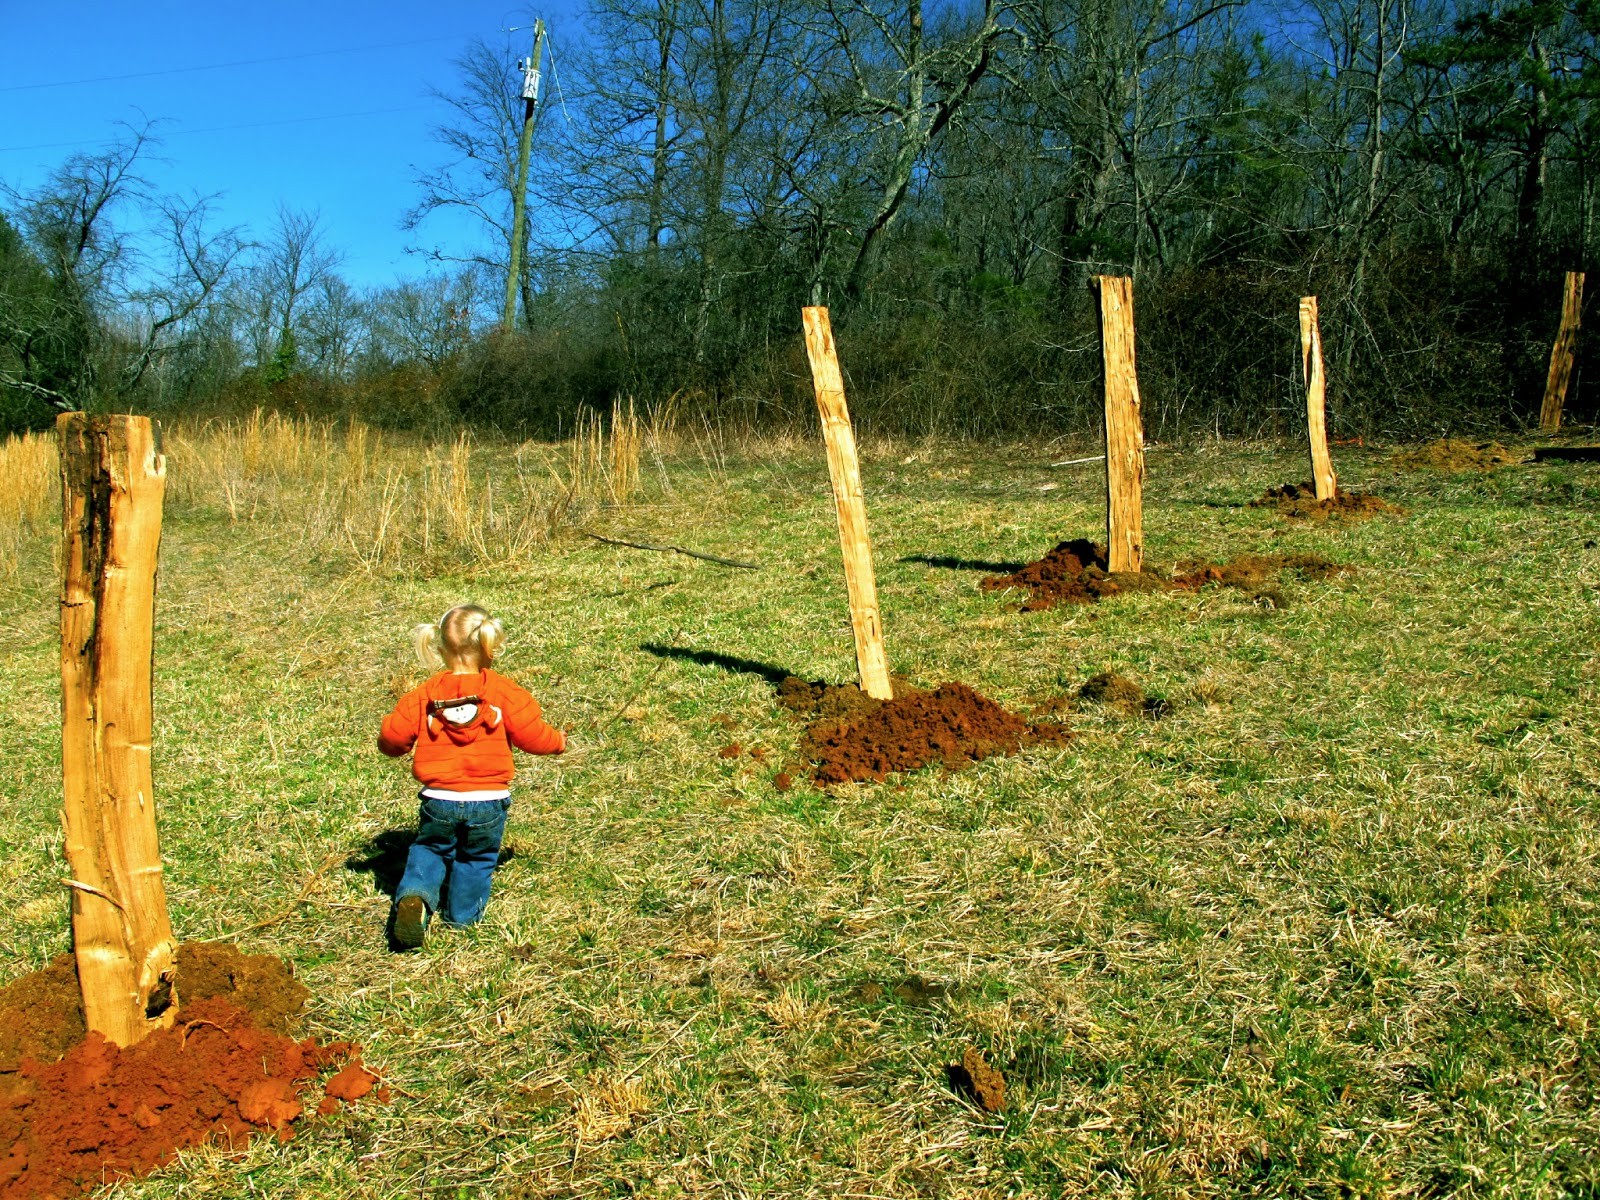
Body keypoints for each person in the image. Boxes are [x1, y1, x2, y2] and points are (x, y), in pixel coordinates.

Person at [378, 603, 566, 949]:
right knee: (476, 858)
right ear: (489, 647)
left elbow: (392, 739)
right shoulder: (504, 692)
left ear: (438, 647)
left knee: (431, 848)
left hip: (440, 799)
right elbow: (532, 735)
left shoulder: (423, 695)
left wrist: (388, 740)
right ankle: (463, 921)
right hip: (488, 800)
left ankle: (416, 896)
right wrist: (558, 742)